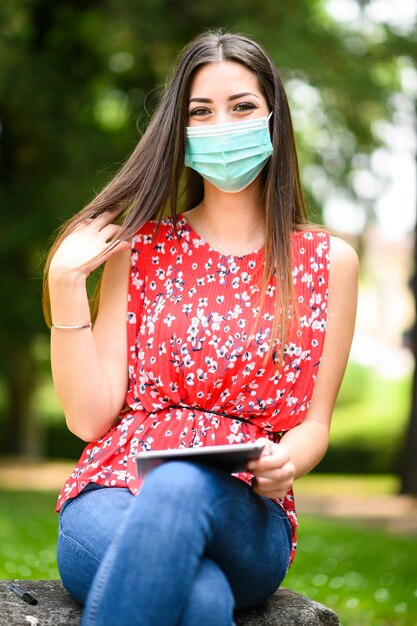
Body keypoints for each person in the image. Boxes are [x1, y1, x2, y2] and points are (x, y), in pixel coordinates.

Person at [43, 30, 358, 626]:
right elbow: (89, 419)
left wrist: (285, 463)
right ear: (180, 131)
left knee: (182, 484)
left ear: (273, 119)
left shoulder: (327, 262)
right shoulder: (140, 250)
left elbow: (315, 421)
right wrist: (64, 283)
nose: (222, 125)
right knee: (202, 598)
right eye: (200, 111)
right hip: (113, 493)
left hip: (246, 510)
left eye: (242, 107)